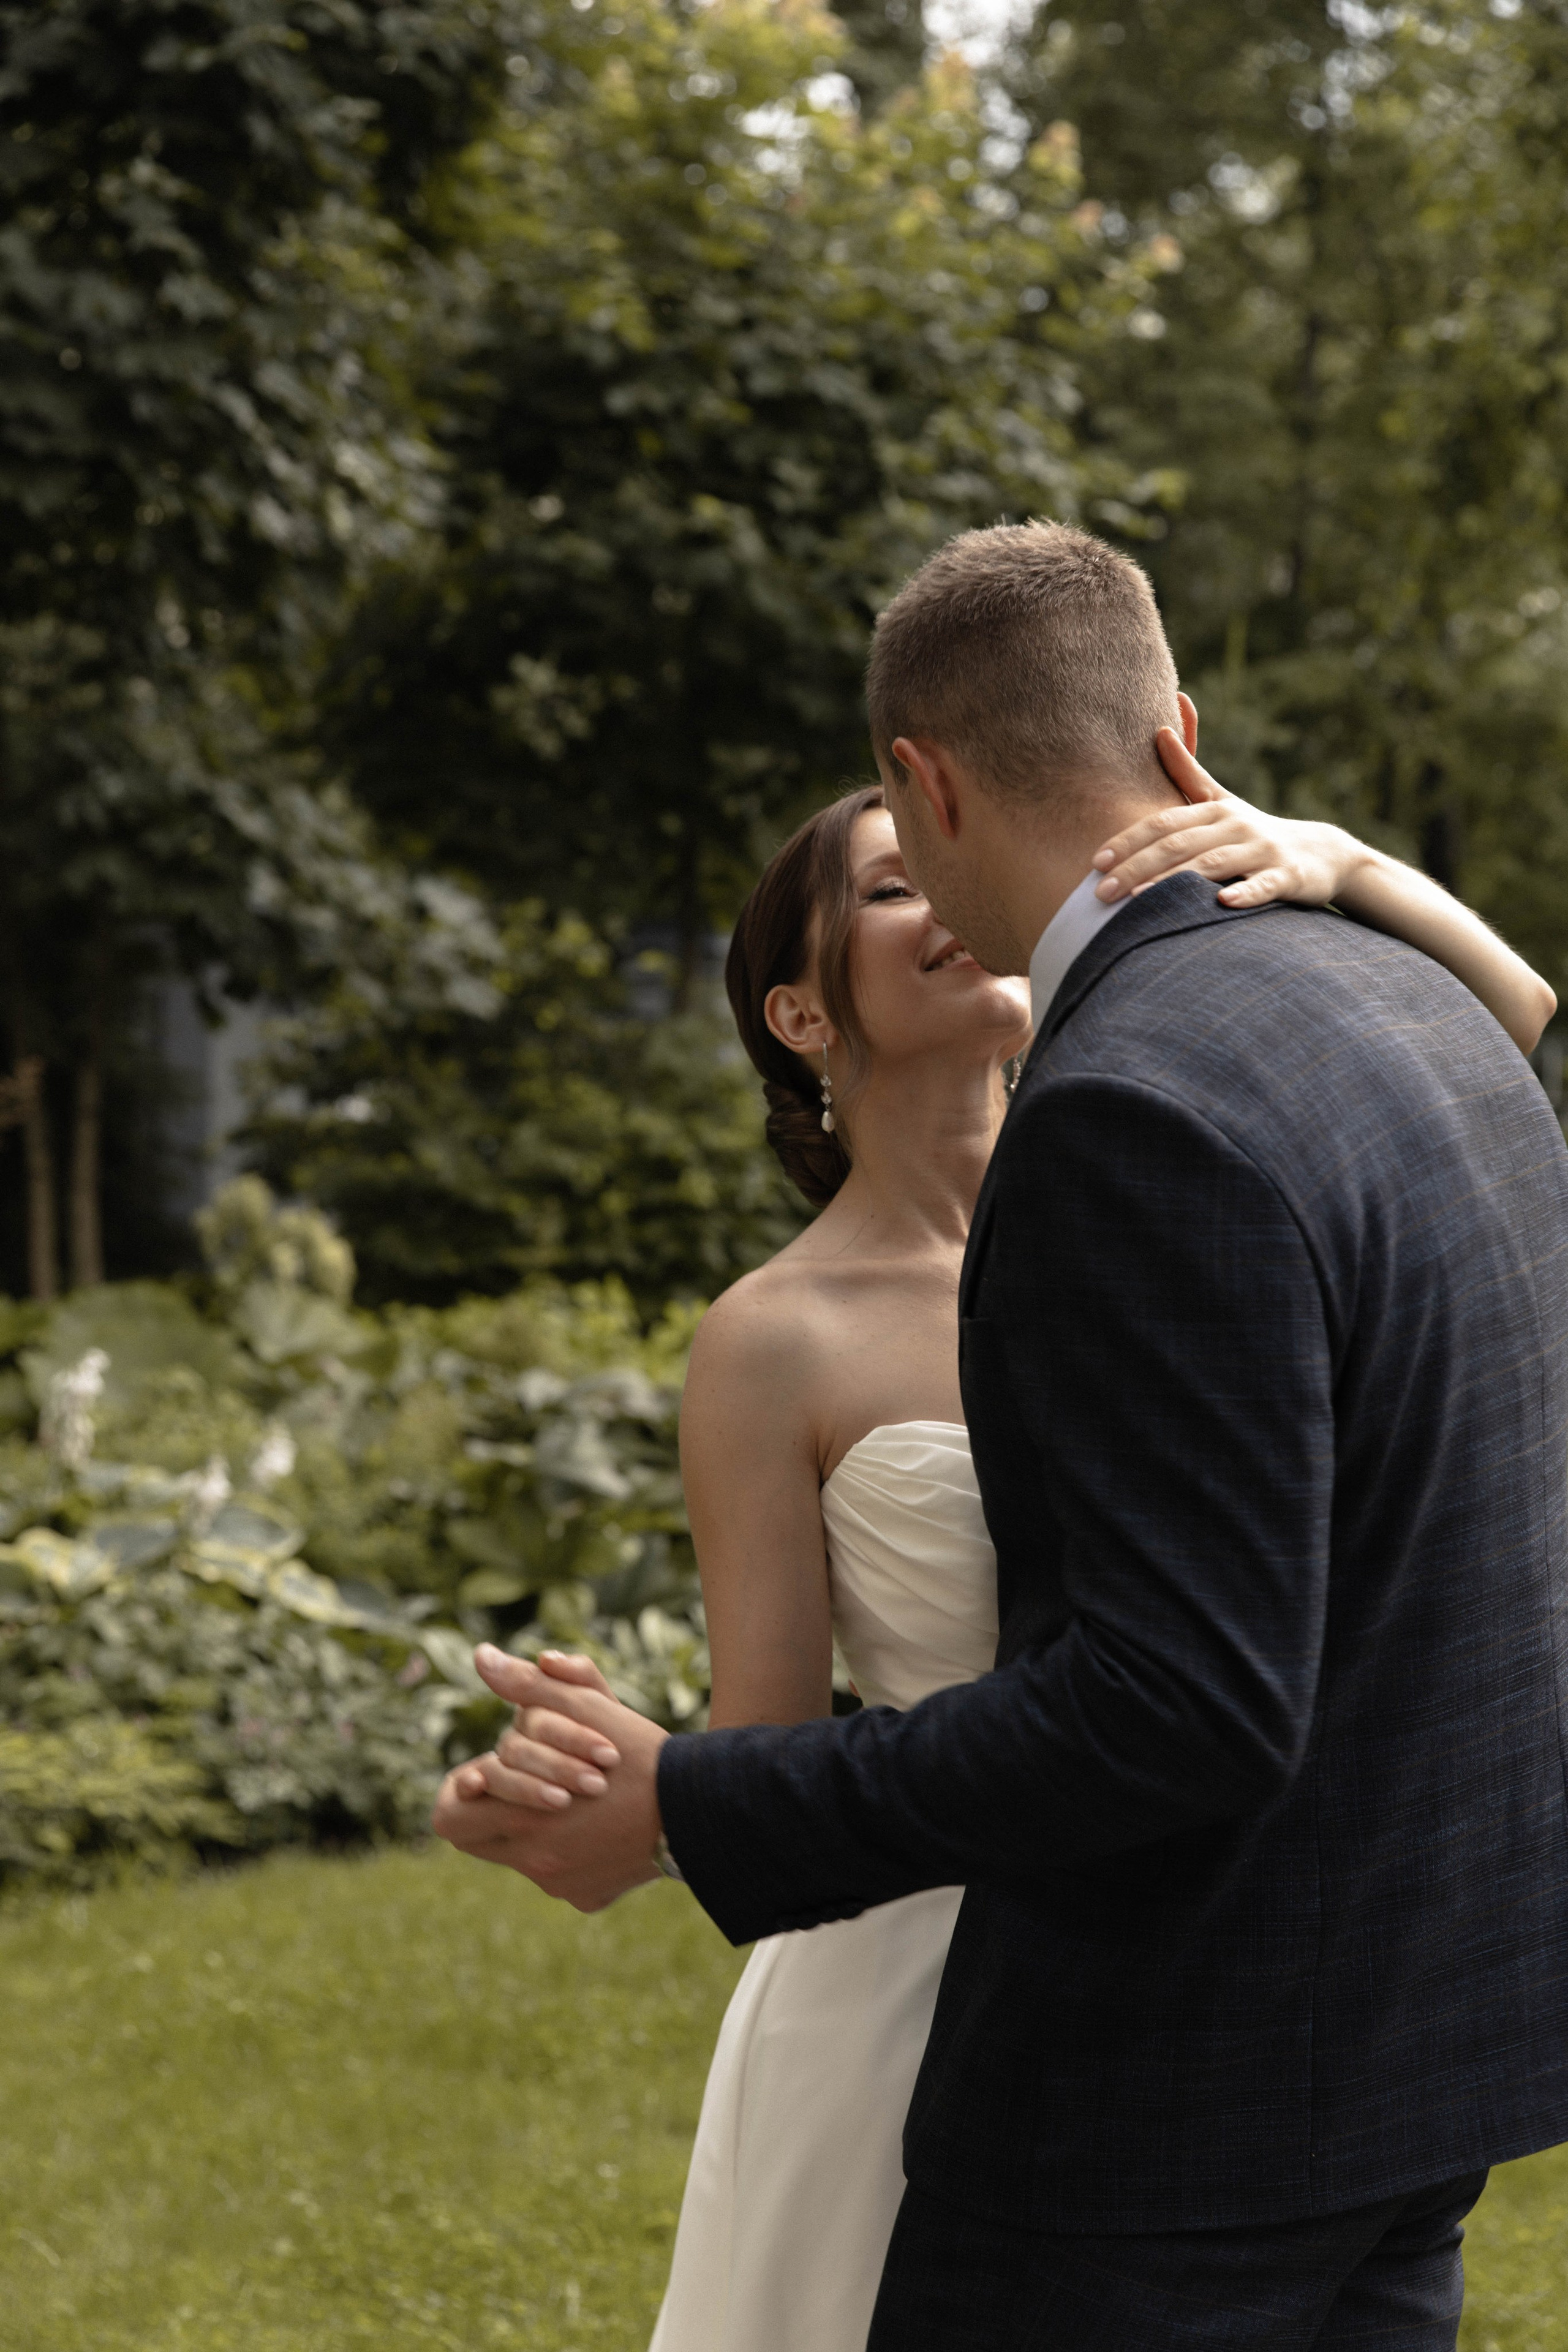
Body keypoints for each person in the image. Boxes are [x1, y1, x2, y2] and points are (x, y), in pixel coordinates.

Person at [435, 521, 1568, 2351]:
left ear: (927, 778)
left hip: (1174, 2088)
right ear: (1178, 733)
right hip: (1404, 2047)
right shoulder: (1413, 1020)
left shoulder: (1133, 1116)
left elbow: (1184, 1698)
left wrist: (683, 1808)